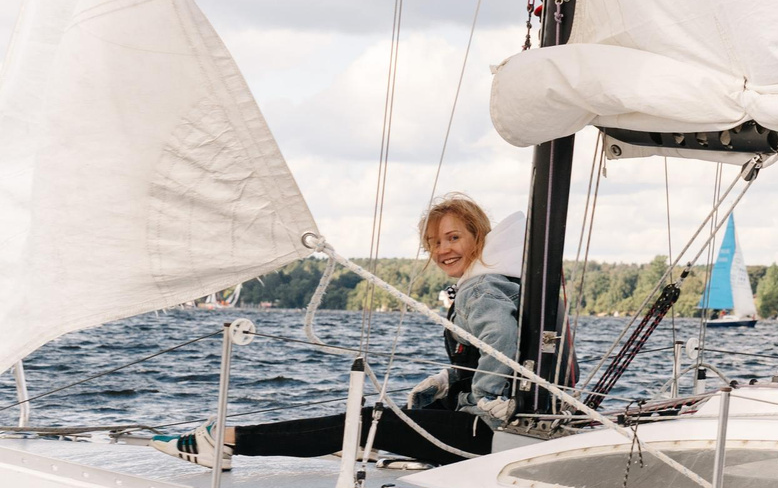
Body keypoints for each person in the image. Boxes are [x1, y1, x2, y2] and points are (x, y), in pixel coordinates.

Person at [152, 195, 523, 469]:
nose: (442, 250)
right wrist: (450, 379)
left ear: (479, 237)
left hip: (487, 431)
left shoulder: (480, 288)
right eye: (433, 243)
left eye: (453, 238)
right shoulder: (496, 281)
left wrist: (485, 398)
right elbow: (496, 345)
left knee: (361, 422)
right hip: (503, 428)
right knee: (376, 419)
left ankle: (227, 440)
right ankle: (359, 443)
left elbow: (501, 338)